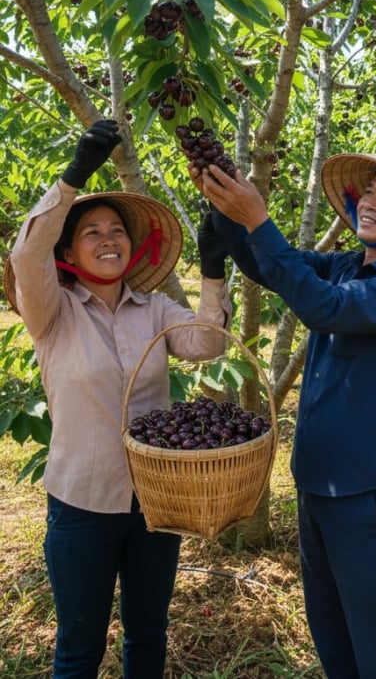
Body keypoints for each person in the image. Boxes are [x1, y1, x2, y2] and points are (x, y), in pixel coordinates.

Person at [192, 152, 376, 679]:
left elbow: (323, 308)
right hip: (318, 481)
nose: (371, 201)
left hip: (366, 492)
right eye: (370, 191)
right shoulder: (344, 265)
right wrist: (226, 209)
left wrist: (257, 218)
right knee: (331, 628)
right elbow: (271, 267)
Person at [4, 119, 232, 679]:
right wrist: (75, 176)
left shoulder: (154, 309)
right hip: (82, 504)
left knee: (147, 636)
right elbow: (25, 256)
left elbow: (204, 342)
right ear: (70, 252)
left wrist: (211, 269)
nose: (108, 238)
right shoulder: (52, 312)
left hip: (156, 503)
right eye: (92, 232)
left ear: (134, 246)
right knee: (78, 651)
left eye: (117, 231)